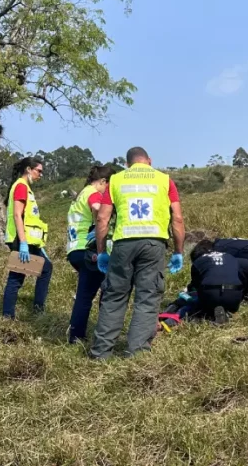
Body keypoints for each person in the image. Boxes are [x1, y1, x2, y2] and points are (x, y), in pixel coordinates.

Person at [89, 147, 186, 359]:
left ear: (127, 164)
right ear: (149, 161)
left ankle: (100, 354)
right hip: (154, 245)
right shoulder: (164, 180)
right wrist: (179, 250)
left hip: (123, 245)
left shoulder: (115, 181)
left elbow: (102, 219)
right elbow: (177, 218)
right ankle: (137, 353)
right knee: (147, 298)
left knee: (114, 297)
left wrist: (102, 250)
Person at [65, 165, 115, 344]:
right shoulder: (93, 194)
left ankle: (78, 334)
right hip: (87, 249)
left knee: (92, 291)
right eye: (109, 186)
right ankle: (84, 336)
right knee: (93, 294)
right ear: (102, 182)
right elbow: (99, 210)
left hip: (74, 249)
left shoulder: (80, 194)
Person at [1, 157, 52, 319]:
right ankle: (11, 315)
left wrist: (39, 247)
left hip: (28, 241)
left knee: (42, 269)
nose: (40, 174)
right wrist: (23, 243)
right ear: (28, 170)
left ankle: (21, 312)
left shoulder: (25, 188)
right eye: (39, 171)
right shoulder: (21, 187)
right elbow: (17, 215)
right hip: (20, 240)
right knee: (17, 277)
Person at [188, 240, 244, 324]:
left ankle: (208, 314)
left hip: (211, 294)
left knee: (199, 306)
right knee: (230, 305)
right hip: (234, 295)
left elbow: (196, 285)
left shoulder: (198, 261)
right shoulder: (231, 257)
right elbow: (242, 278)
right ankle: (227, 312)